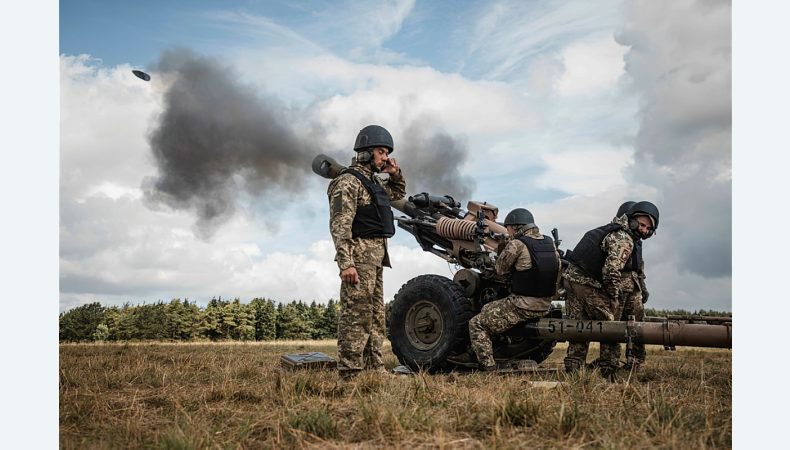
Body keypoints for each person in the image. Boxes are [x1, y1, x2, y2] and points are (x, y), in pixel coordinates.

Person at [326, 125, 406, 380]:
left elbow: (398, 194)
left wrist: (395, 174)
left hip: (375, 259)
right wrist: (346, 263)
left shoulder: (373, 183)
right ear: (366, 152)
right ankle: (350, 372)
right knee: (356, 315)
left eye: (386, 153)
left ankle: (374, 368)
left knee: (374, 317)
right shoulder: (347, 182)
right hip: (358, 258)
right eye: (381, 152)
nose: (385, 158)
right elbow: (340, 224)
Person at [447, 208, 561, 371]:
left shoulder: (517, 244)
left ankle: (488, 366)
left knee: (477, 323)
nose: (507, 232)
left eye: (507, 228)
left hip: (523, 305)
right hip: (545, 305)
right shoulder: (550, 244)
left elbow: (500, 270)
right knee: (488, 309)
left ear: (515, 227)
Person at [563, 201, 659, 379]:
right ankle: (608, 367)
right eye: (642, 224)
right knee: (609, 324)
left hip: (573, 280)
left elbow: (635, 269)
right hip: (586, 284)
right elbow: (611, 270)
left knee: (578, 324)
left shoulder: (614, 231)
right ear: (631, 220)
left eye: (648, 228)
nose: (644, 230)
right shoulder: (623, 238)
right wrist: (613, 296)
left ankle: (574, 367)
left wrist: (641, 287)